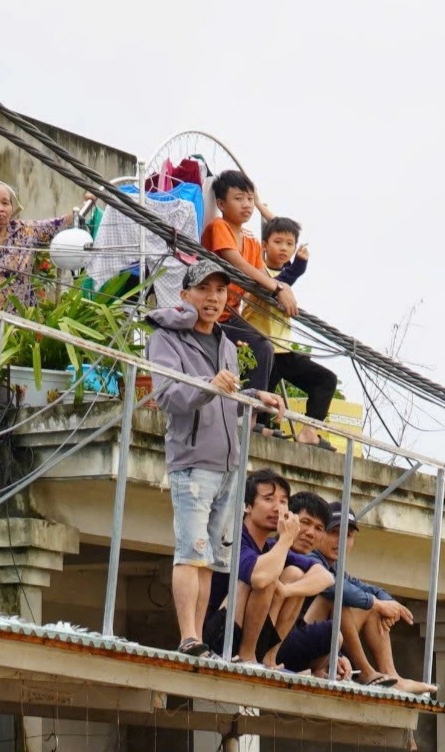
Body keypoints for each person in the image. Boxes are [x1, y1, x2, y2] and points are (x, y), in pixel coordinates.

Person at [147, 260, 284, 654]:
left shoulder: (225, 342)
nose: (213, 298)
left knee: (209, 560)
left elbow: (230, 399)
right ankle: (188, 635)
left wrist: (257, 398)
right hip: (192, 461)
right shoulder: (166, 339)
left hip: (228, 466)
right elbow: (168, 397)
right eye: (204, 289)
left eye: (220, 291)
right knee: (191, 553)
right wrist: (209, 386)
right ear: (185, 294)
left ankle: (199, 639)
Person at [291, 504, 432, 692]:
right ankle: (366, 672)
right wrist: (377, 603)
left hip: (318, 642)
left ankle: (392, 675)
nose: (340, 540)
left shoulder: (335, 568)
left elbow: (369, 589)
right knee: (343, 598)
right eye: (334, 532)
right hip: (292, 646)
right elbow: (336, 589)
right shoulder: (310, 558)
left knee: (370, 605)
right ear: (321, 533)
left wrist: (389, 604)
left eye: (348, 535)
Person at [202, 470, 333, 663]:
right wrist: (287, 538)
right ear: (247, 506)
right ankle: (247, 655)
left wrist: (286, 591)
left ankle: (268, 658)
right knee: (265, 576)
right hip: (219, 637)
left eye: (282, 502)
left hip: (253, 636)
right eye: (269, 499)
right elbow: (259, 578)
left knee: (295, 574)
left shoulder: (272, 547)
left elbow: (325, 576)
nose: (277, 508)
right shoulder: (232, 537)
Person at [199, 169, 295, 406]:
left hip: (230, 315)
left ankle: (252, 413)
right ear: (221, 203)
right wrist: (277, 288)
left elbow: (261, 273)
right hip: (209, 312)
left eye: (250, 199)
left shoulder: (251, 239)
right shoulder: (219, 227)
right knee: (254, 348)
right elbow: (237, 264)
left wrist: (282, 286)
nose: (246, 205)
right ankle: (247, 411)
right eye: (239, 198)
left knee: (262, 347)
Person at [239, 216, 338, 442]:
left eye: (289, 244)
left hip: (282, 351)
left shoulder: (284, 278)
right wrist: (300, 266)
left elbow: (284, 279)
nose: (284, 248)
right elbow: (280, 282)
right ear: (264, 245)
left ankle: (309, 431)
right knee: (262, 404)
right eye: (278, 242)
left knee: (325, 380)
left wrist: (262, 206)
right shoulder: (258, 271)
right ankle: (259, 428)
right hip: (261, 350)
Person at [0, 179, 71, 311]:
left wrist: (86, 203)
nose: (0, 208)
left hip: (24, 321)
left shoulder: (24, 230)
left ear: (12, 208)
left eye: (5, 203)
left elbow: (59, 224)